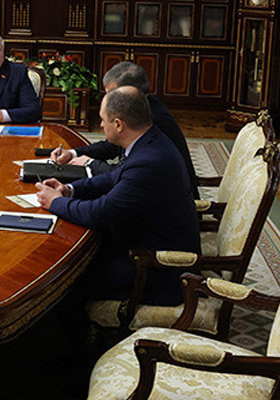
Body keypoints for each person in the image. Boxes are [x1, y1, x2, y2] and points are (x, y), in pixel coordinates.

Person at [36, 86, 200, 306]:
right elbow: (113, 178)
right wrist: (70, 190)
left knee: (63, 282)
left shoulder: (149, 163)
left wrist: (55, 202)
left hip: (154, 269)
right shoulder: (149, 140)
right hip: (138, 242)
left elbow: (99, 214)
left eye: (103, 120)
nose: (101, 125)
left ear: (119, 125)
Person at [50, 61, 199, 199]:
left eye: (112, 95)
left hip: (166, 201)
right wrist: (73, 153)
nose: (108, 101)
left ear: (130, 94)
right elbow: (111, 146)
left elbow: (129, 174)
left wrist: (91, 163)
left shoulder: (154, 122)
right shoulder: (143, 107)